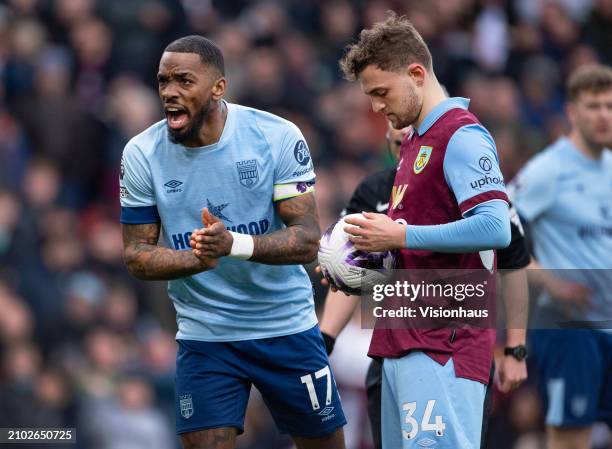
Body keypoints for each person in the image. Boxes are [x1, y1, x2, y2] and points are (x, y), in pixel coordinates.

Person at [119, 35, 346, 449]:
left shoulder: (275, 136)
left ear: (218, 88)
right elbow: (136, 256)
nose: (170, 92)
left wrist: (232, 246)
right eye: (163, 81)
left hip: (285, 326)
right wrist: (198, 258)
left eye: (184, 81)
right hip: (206, 335)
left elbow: (308, 240)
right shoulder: (141, 154)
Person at [336, 12, 513, 449]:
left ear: (416, 73)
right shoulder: (414, 141)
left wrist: (399, 236)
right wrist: (357, 260)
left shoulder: (463, 136)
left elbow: (496, 228)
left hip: (445, 341)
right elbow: (414, 243)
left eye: (381, 92)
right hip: (401, 335)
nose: (376, 107)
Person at [319, 123, 530, 449]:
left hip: (452, 349)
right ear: (388, 141)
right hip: (388, 350)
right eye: (397, 137)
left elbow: (514, 261)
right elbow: (348, 268)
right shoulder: (374, 192)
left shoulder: (470, 190)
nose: (406, 144)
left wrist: (516, 348)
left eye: (412, 136)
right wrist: (325, 338)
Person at [511, 64, 612, 449]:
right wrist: (547, 277)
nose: (603, 115)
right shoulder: (548, 170)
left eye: (609, 106)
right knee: (571, 438)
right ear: (572, 112)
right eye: (593, 106)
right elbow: (498, 226)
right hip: (569, 329)